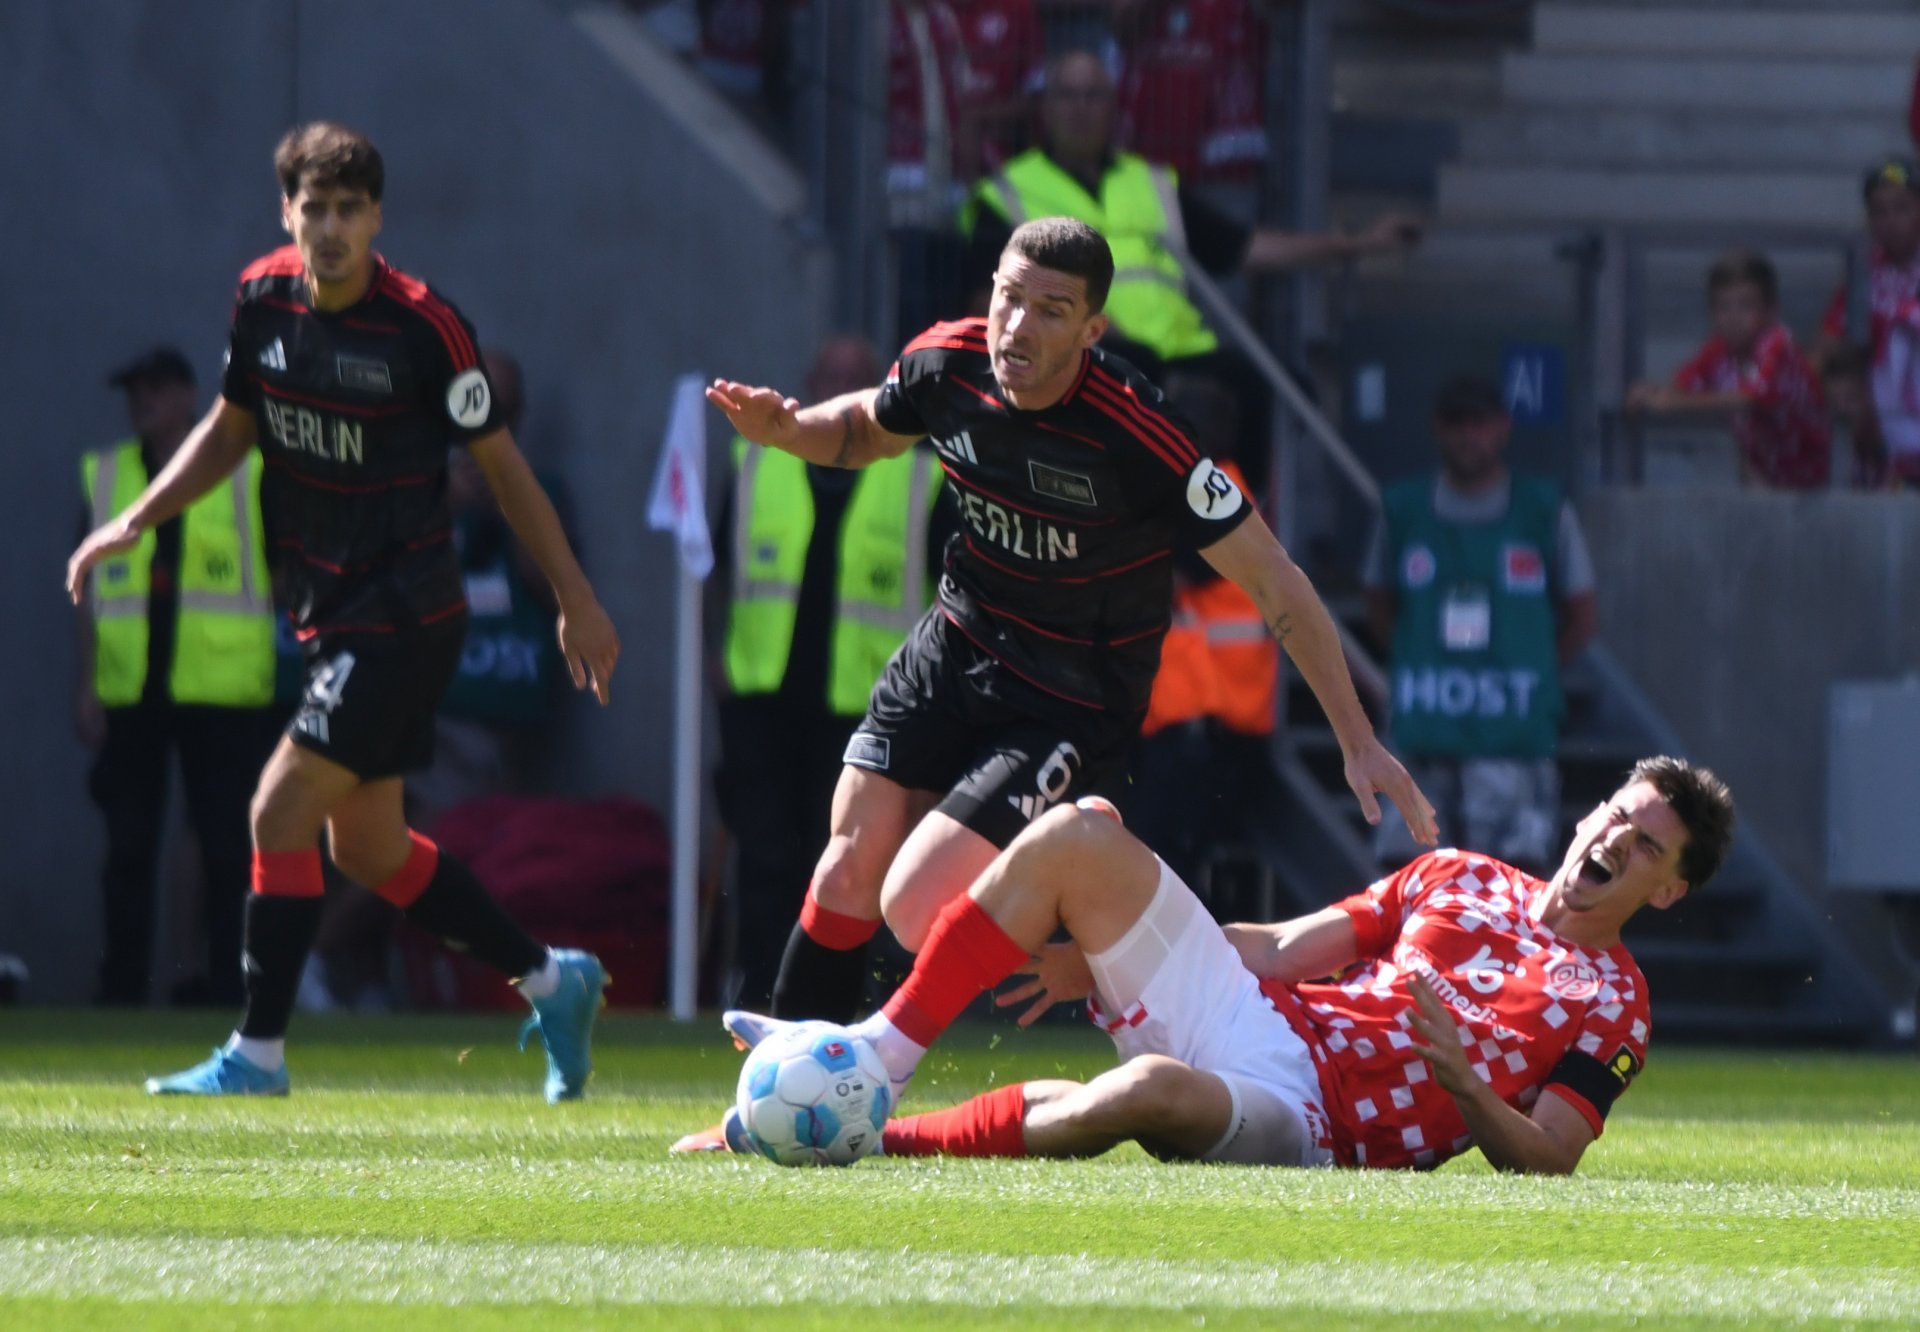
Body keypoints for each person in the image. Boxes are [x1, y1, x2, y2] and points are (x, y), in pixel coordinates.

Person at [694, 217, 1433, 1053]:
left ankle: (1068, 895)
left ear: (1093, 331)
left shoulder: (1142, 438)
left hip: (1068, 701)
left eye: (1052, 311)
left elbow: (1276, 581)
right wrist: (794, 430)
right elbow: (870, 424)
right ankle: (778, 1094)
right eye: (1011, 299)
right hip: (954, 646)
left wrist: (1358, 739)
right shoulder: (947, 361)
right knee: (847, 864)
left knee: (910, 906)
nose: (1018, 326)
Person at [65, 122, 621, 1101]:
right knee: (367, 848)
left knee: (274, 807)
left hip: (407, 614)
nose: (330, 229)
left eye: (349, 210)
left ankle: (259, 1055)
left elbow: (503, 467)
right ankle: (553, 979)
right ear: (286, 213)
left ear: (378, 218)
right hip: (330, 613)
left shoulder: (425, 329)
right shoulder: (260, 299)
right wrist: (135, 522)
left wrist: (576, 599)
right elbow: (229, 431)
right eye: (313, 208)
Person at [704, 754, 1732, 1174]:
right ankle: (874, 1060)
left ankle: (872, 1141)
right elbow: (1283, 947)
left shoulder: (1616, 1006)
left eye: (1648, 848)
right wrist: (1087, 960)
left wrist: (1464, 1083)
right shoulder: (1458, 874)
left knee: (1148, 1091)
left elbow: (1550, 1156)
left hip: (1319, 1126)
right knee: (1078, 838)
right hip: (1267, 1019)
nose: (1616, 843)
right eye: (1619, 818)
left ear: (1669, 890)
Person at [711, 334, 948, 1008]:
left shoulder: (918, 476)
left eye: (856, 378)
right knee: (765, 858)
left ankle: (836, 1008)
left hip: (867, 708)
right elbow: (717, 570)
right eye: (830, 373)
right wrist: (714, 665)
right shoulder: (755, 461)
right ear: (808, 380)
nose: (838, 385)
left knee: (850, 863)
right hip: (761, 696)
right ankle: (759, 1000)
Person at [958, 51, 1420, 374]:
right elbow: (986, 296)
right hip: (1083, 354)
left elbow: (1244, 246)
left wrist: (1354, 245)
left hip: (1178, 352)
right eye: (1067, 95)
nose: (1080, 109)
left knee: (1262, 383)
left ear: (1113, 108)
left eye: (1093, 96)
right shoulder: (1007, 192)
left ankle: (1239, 510)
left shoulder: (1152, 184)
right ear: (1045, 107)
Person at [76, 346, 280, 1007]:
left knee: (226, 847)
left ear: (191, 396)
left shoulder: (246, 473)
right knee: (128, 847)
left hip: (220, 689)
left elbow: (286, 567)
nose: (144, 401)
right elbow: (86, 588)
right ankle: (122, 990)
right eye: (135, 390)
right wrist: (86, 686)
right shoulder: (106, 476)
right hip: (132, 690)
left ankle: (228, 988)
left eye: (157, 388)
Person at [1361, 375, 1598, 874]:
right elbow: (1378, 602)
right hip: (1423, 728)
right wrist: (1415, 658)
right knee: (1409, 878)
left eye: (1480, 422)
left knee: (1512, 879)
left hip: (1511, 734)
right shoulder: (1402, 510)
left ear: (1503, 428)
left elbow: (1582, 614)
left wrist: (1533, 668)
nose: (1469, 435)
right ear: (1437, 429)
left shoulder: (1544, 511)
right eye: (1456, 423)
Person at [1626, 250, 1832, 490]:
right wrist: (1648, 392)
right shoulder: (1717, 351)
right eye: (1723, 307)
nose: (1733, 318)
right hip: (1774, 483)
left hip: (1825, 483)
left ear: (1770, 311)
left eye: (1745, 306)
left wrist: (1670, 403)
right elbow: (1679, 388)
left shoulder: (1778, 344)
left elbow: (1749, 398)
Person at [1816, 160, 1920, 470]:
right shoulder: (1864, 272)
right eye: (1879, 211)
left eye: (1902, 208)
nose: (1890, 220)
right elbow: (1826, 345)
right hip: (1879, 415)